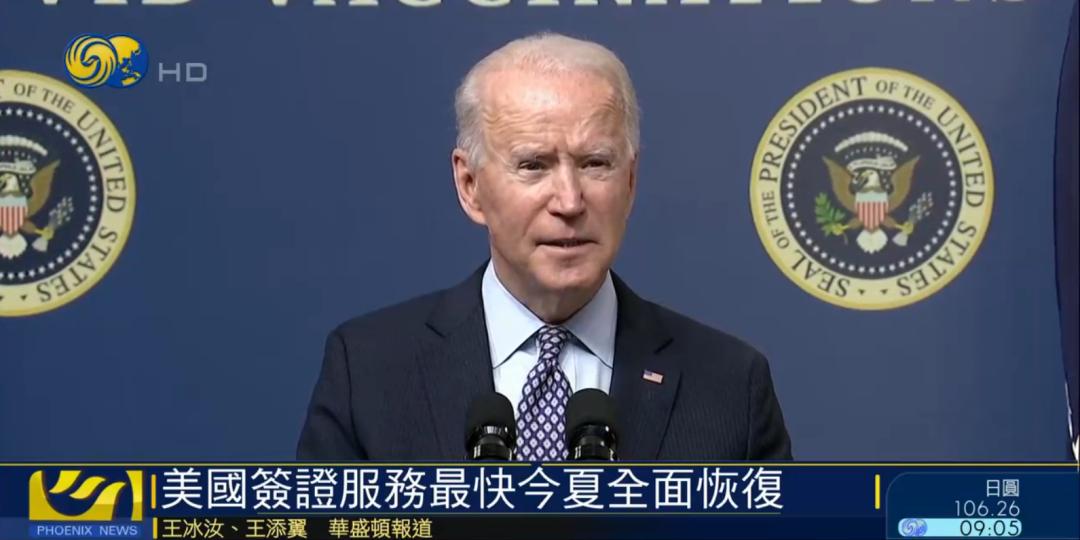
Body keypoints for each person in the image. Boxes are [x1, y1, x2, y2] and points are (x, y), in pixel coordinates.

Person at [297, 33, 792, 461]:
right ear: (470, 186)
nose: (570, 201)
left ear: (631, 181)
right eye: (533, 166)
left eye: (595, 163)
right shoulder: (369, 371)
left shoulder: (730, 385)